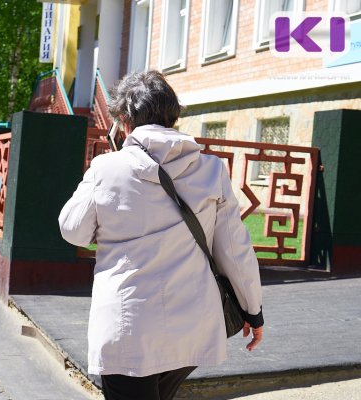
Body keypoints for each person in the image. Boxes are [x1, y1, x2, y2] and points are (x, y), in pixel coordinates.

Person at [58, 70, 264, 400]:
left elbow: (72, 230)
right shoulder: (211, 169)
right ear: (173, 116)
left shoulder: (106, 168)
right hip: (193, 324)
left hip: (129, 329)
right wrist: (253, 311)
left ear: (123, 121)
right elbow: (235, 249)